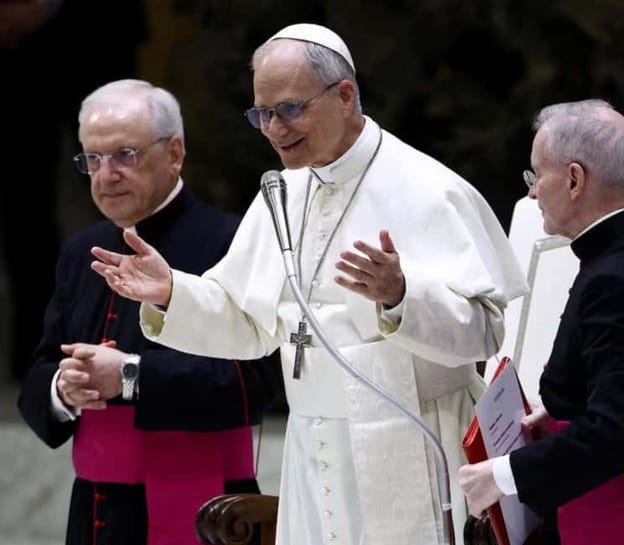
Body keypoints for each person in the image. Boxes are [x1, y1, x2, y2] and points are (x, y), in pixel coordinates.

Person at [89, 23, 528, 545]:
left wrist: (402, 296)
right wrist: (171, 292)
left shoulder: (429, 189)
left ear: (344, 96)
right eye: (261, 114)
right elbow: (248, 321)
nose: (274, 129)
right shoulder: (284, 191)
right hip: (313, 448)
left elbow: (487, 330)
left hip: (411, 439)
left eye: (290, 109)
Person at [17, 79, 276, 545]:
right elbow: (37, 370)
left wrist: (131, 378)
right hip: (97, 509)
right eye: (92, 159)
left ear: (174, 153)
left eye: (124, 155)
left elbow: (257, 381)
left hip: (210, 510)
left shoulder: (233, 241)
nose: (105, 174)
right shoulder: (81, 251)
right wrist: (63, 386)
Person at [457, 99, 624, 545]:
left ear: (574, 179)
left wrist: (504, 474)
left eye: (536, 175)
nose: (532, 191)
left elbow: (619, 431)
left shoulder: (615, 279)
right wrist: (562, 417)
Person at [1, 0, 147, 381]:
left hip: (92, 35)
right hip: (16, 60)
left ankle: (148, 338)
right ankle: (37, 353)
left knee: (130, 191)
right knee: (24, 209)